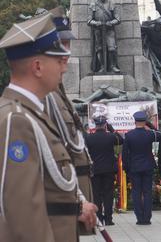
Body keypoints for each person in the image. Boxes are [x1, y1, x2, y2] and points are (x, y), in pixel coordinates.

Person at [0, 14, 96, 241]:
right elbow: (23, 214)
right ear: (37, 67)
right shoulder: (17, 121)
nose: (64, 68)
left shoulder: (30, 114)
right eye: (59, 61)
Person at [41, 6, 97, 235]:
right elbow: (51, 157)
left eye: (68, 43)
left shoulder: (57, 91)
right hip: (61, 205)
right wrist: (76, 201)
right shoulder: (46, 96)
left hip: (70, 201)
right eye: (62, 44)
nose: (67, 51)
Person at [122, 111, 160, 225]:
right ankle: (147, 218)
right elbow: (160, 135)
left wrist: (126, 168)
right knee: (147, 192)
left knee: (136, 192)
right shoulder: (150, 134)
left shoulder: (129, 135)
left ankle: (139, 217)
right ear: (145, 122)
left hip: (134, 167)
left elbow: (125, 154)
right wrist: (151, 126)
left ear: (134, 121)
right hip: (148, 166)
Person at [86, 116, 123, 225]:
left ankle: (99, 218)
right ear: (105, 125)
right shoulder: (111, 136)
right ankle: (108, 219)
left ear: (95, 125)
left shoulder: (89, 138)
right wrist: (112, 129)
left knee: (96, 195)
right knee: (108, 194)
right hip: (108, 170)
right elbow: (121, 140)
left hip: (95, 170)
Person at [88, 0, 120, 73]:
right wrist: (96, 23)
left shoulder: (111, 4)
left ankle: (112, 66)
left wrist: (111, 22)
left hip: (109, 29)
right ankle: (102, 66)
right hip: (98, 30)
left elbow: (118, 19)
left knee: (112, 48)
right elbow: (89, 21)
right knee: (99, 48)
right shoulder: (93, 5)